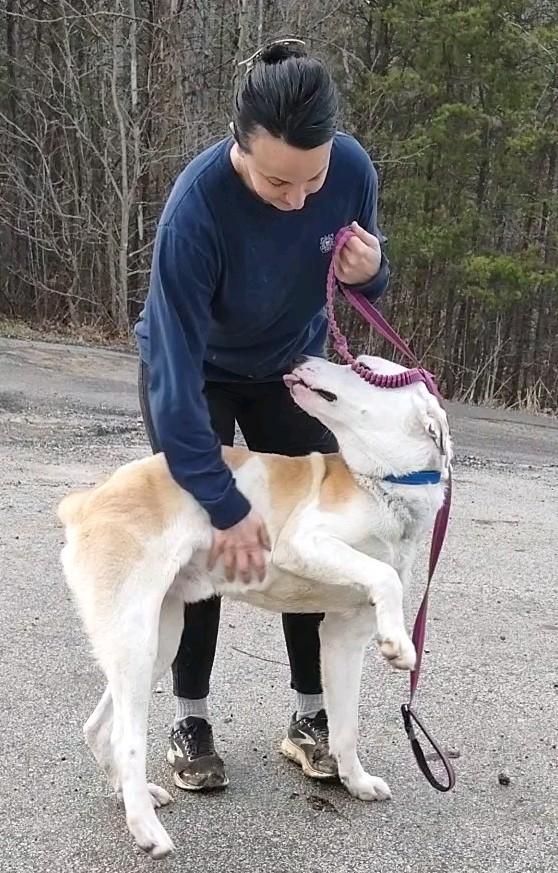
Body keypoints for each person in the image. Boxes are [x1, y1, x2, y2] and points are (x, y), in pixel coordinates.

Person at [134, 38, 390, 791]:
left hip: (289, 367)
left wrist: (375, 272)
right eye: (279, 181)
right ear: (240, 144)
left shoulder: (350, 170)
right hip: (200, 371)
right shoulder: (196, 211)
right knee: (205, 543)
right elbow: (173, 380)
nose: (300, 198)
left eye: (313, 179)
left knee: (315, 539)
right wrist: (219, 501)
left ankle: (309, 716)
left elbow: (367, 284)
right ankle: (190, 717)